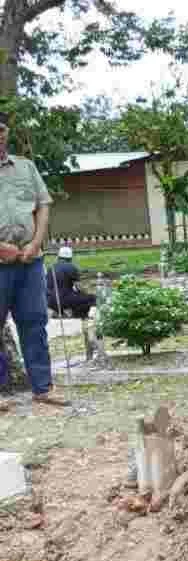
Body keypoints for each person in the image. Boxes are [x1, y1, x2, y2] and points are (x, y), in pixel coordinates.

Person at [0, 111, 68, 406]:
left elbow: (42, 205)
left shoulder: (25, 167)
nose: (0, 134)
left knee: (34, 323)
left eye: (2, 129)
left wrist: (37, 242)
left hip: (30, 261)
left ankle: (43, 388)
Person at [46, 247, 96, 319]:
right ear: (70, 258)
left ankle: (63, 314)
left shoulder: (50, 268)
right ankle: (79, 317)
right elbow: (79, 288)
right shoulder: (71, 267)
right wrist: (88, 291)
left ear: (58, 257)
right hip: (63, 300)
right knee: (91, 298)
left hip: (50, 301)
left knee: (75, 296)